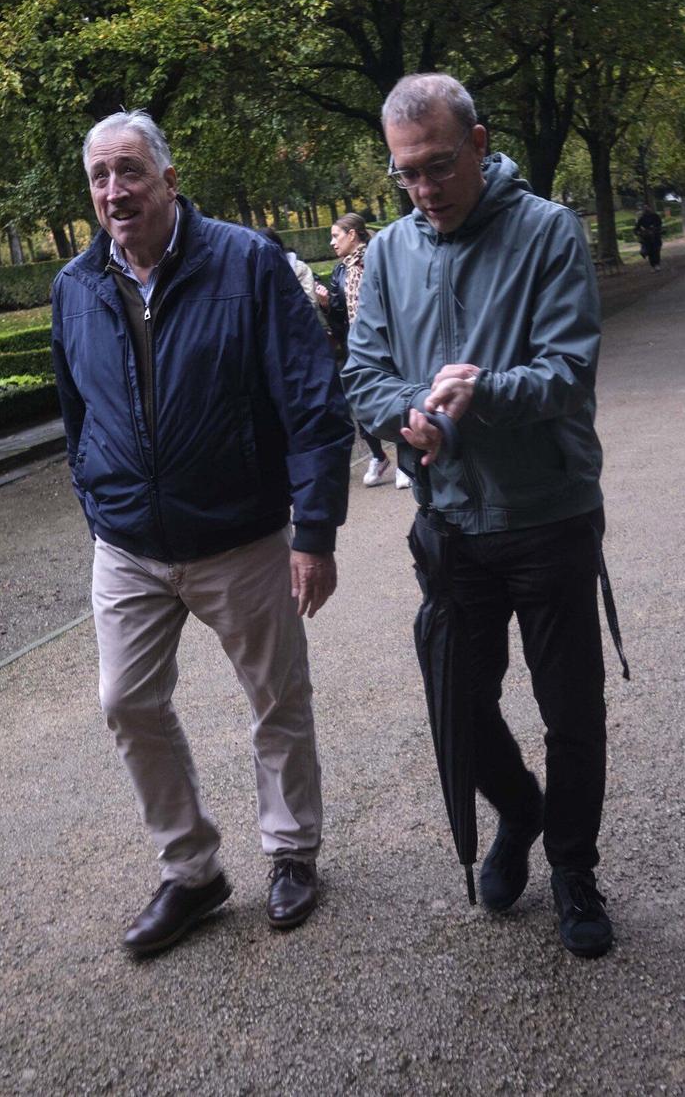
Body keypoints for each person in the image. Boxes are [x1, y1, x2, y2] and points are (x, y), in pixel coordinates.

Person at [50, 110, 352, 958]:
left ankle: (292, 852)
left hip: (239, 536)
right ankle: (191, 871)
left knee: (276, 699)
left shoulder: (246, 264)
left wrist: (314, 529)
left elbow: (313, 404)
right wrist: (99, 503)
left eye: (131, 171)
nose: (116, 191)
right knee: (126, 703)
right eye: (101, 177)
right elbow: (75, 418)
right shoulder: (76, 287)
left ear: (169, 179)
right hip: (129, 547)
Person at [343, 72, 619, 959]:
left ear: (477, 140)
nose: (424, 188)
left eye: (435, 165)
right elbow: (362, 373)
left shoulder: (546, 231)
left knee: (571, 710)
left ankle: (574, 866)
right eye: (405, 174)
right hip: (452, 523)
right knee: (456, 700)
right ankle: (520, 812)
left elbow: (569, 370)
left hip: (548, 512)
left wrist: (484, 392)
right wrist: (404, 414)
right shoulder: (386, 253)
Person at [315, 213, 395, 487]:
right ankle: (378, 455)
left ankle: (407, 457)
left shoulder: (375, 261)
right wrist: (326, 304)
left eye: (336, 235)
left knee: (393, 398)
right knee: (360, 402)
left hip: (386, 343)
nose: (332, 242)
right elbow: (340, 321)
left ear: (352, 234)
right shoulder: (340, 271)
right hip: (356, 346)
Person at [633, 203, 665, 270]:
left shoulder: (655, 216)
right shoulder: (642, 218)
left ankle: (657, 264)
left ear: (650, 208)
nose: (646, 209)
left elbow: (660, 224)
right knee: (650, 252)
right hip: (647, 238)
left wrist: (655, 229)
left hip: (656, 236)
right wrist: (639, 233)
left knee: (656, 251)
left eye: (647, 207)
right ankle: (653, 265)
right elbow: (636, 228)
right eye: (645, 208)